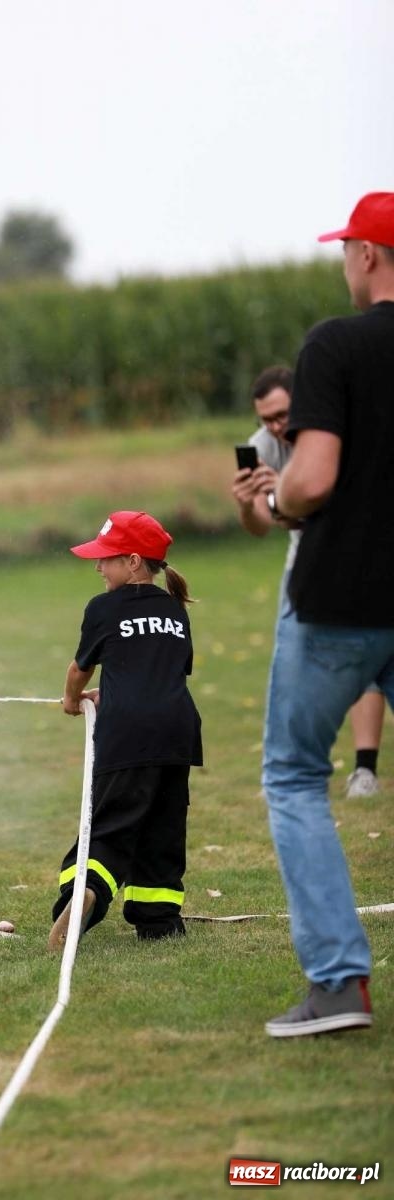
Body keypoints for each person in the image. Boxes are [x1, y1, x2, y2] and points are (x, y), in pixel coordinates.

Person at [260, 191, 394, 1037]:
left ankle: (339, 987)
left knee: (294, 775)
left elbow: (310, 478)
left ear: (370, 256)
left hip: (342, 597)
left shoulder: (336, 344)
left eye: (348, 248)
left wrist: (273, 499)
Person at [48, 510, 202, 949]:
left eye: (106, 558)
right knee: (162, 827)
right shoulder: (175, 609)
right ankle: (159, 922)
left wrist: (72, 699)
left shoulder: (103, 608)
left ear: (133, 561)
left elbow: (81, 667)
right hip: (176, 734)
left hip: (126, 737)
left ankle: (84, 895)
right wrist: (110, 693)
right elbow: (162, 672)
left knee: (111, 826)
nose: (98, 567)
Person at [232, 366, 386, 798]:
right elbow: (264, 525)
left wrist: (282, 493)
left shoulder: (333, 430)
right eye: (266, 419)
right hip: (306, 568)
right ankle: (286, 769)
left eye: (282, 415)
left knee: (367, 663)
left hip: (363, 563)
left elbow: (322, 507)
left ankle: (364, 769)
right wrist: (249, 505)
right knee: (288, 662)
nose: (275, 427)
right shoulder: (261, 446)